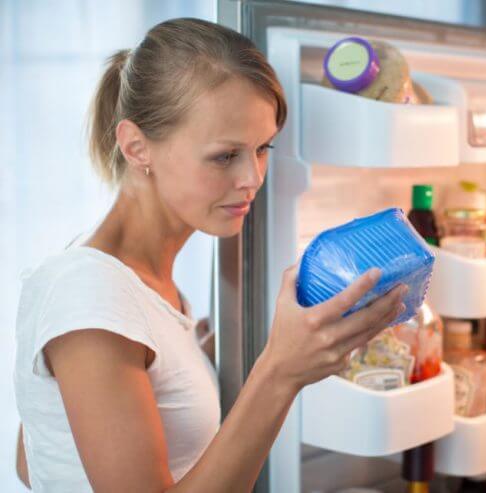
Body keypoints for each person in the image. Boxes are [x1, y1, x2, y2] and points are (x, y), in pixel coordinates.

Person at [13, 18, 407, 492]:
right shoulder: (88, 293)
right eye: (225, 156)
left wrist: (194, 360)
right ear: (137, 147)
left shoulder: (140, 286)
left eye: (262, 149)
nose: (253, 178)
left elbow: (35, 453)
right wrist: (280, 372)